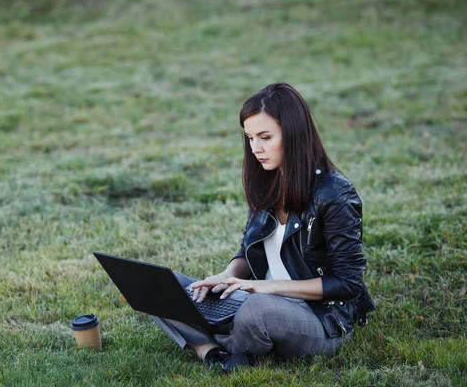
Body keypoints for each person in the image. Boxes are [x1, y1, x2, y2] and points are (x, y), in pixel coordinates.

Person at [151, 82, 375, 373]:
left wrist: (261, 288)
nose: (256, 148)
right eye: (250, 138)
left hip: (319, 317)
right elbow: (249, 246)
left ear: (293, 133)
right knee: (159, 287)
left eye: (265, 137)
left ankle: (218, 337)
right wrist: (227, 276)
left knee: (257, 311)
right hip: (256, 299)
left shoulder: (335, 195)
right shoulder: (267, 181)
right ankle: (212, 352)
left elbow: (348, 283)